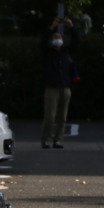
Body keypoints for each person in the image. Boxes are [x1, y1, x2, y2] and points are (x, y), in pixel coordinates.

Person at [41, 16, 79, 149]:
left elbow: (76, 41)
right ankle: (46, 139)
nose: (58, 39)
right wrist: (53, 26)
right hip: (52, 87)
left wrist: (71, 26)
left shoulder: (66, 52)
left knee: (62, 117)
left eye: (60, 37)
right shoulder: (48, 52)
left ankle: (58, 140)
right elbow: (43, 41)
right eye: (55, 37)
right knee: (50, 117)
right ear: (52, 41)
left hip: (65, 87)